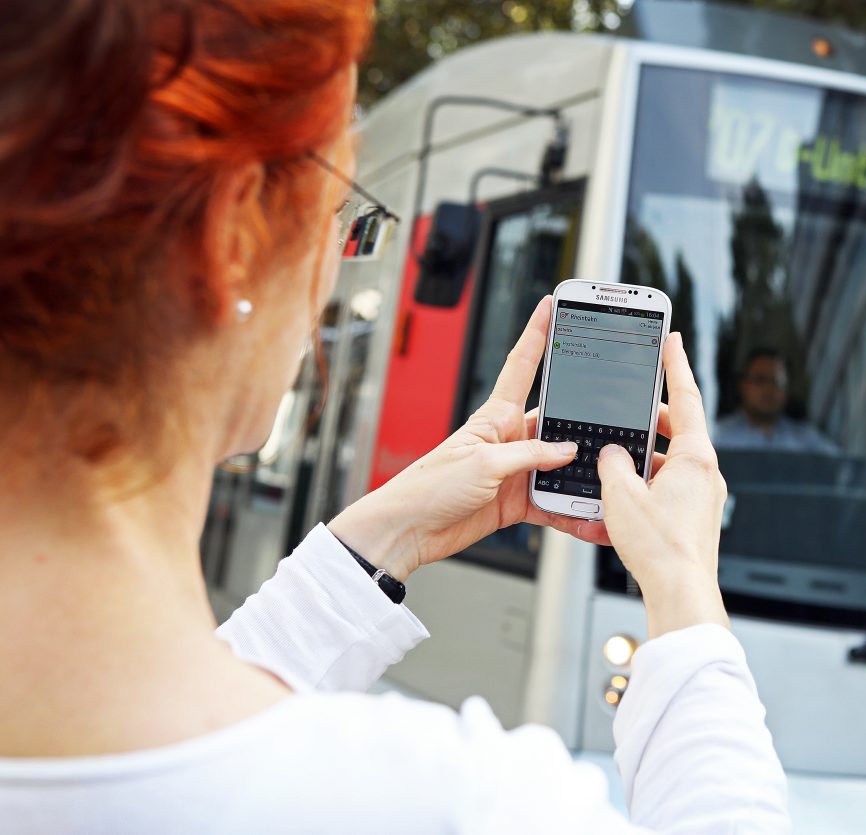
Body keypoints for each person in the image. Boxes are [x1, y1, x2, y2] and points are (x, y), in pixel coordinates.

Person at [0, 2, 790, 832]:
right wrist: (684, 590)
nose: (335, 264)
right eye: (341, 207)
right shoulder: (459, 803)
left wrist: (381, 539)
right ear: (231, 233)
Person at [715, 348, 839, 454]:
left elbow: (843, 470)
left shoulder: (806, 440)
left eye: (777, 382)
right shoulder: (716, 437)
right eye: (760, 380)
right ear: (742, 385)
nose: (769, 389)